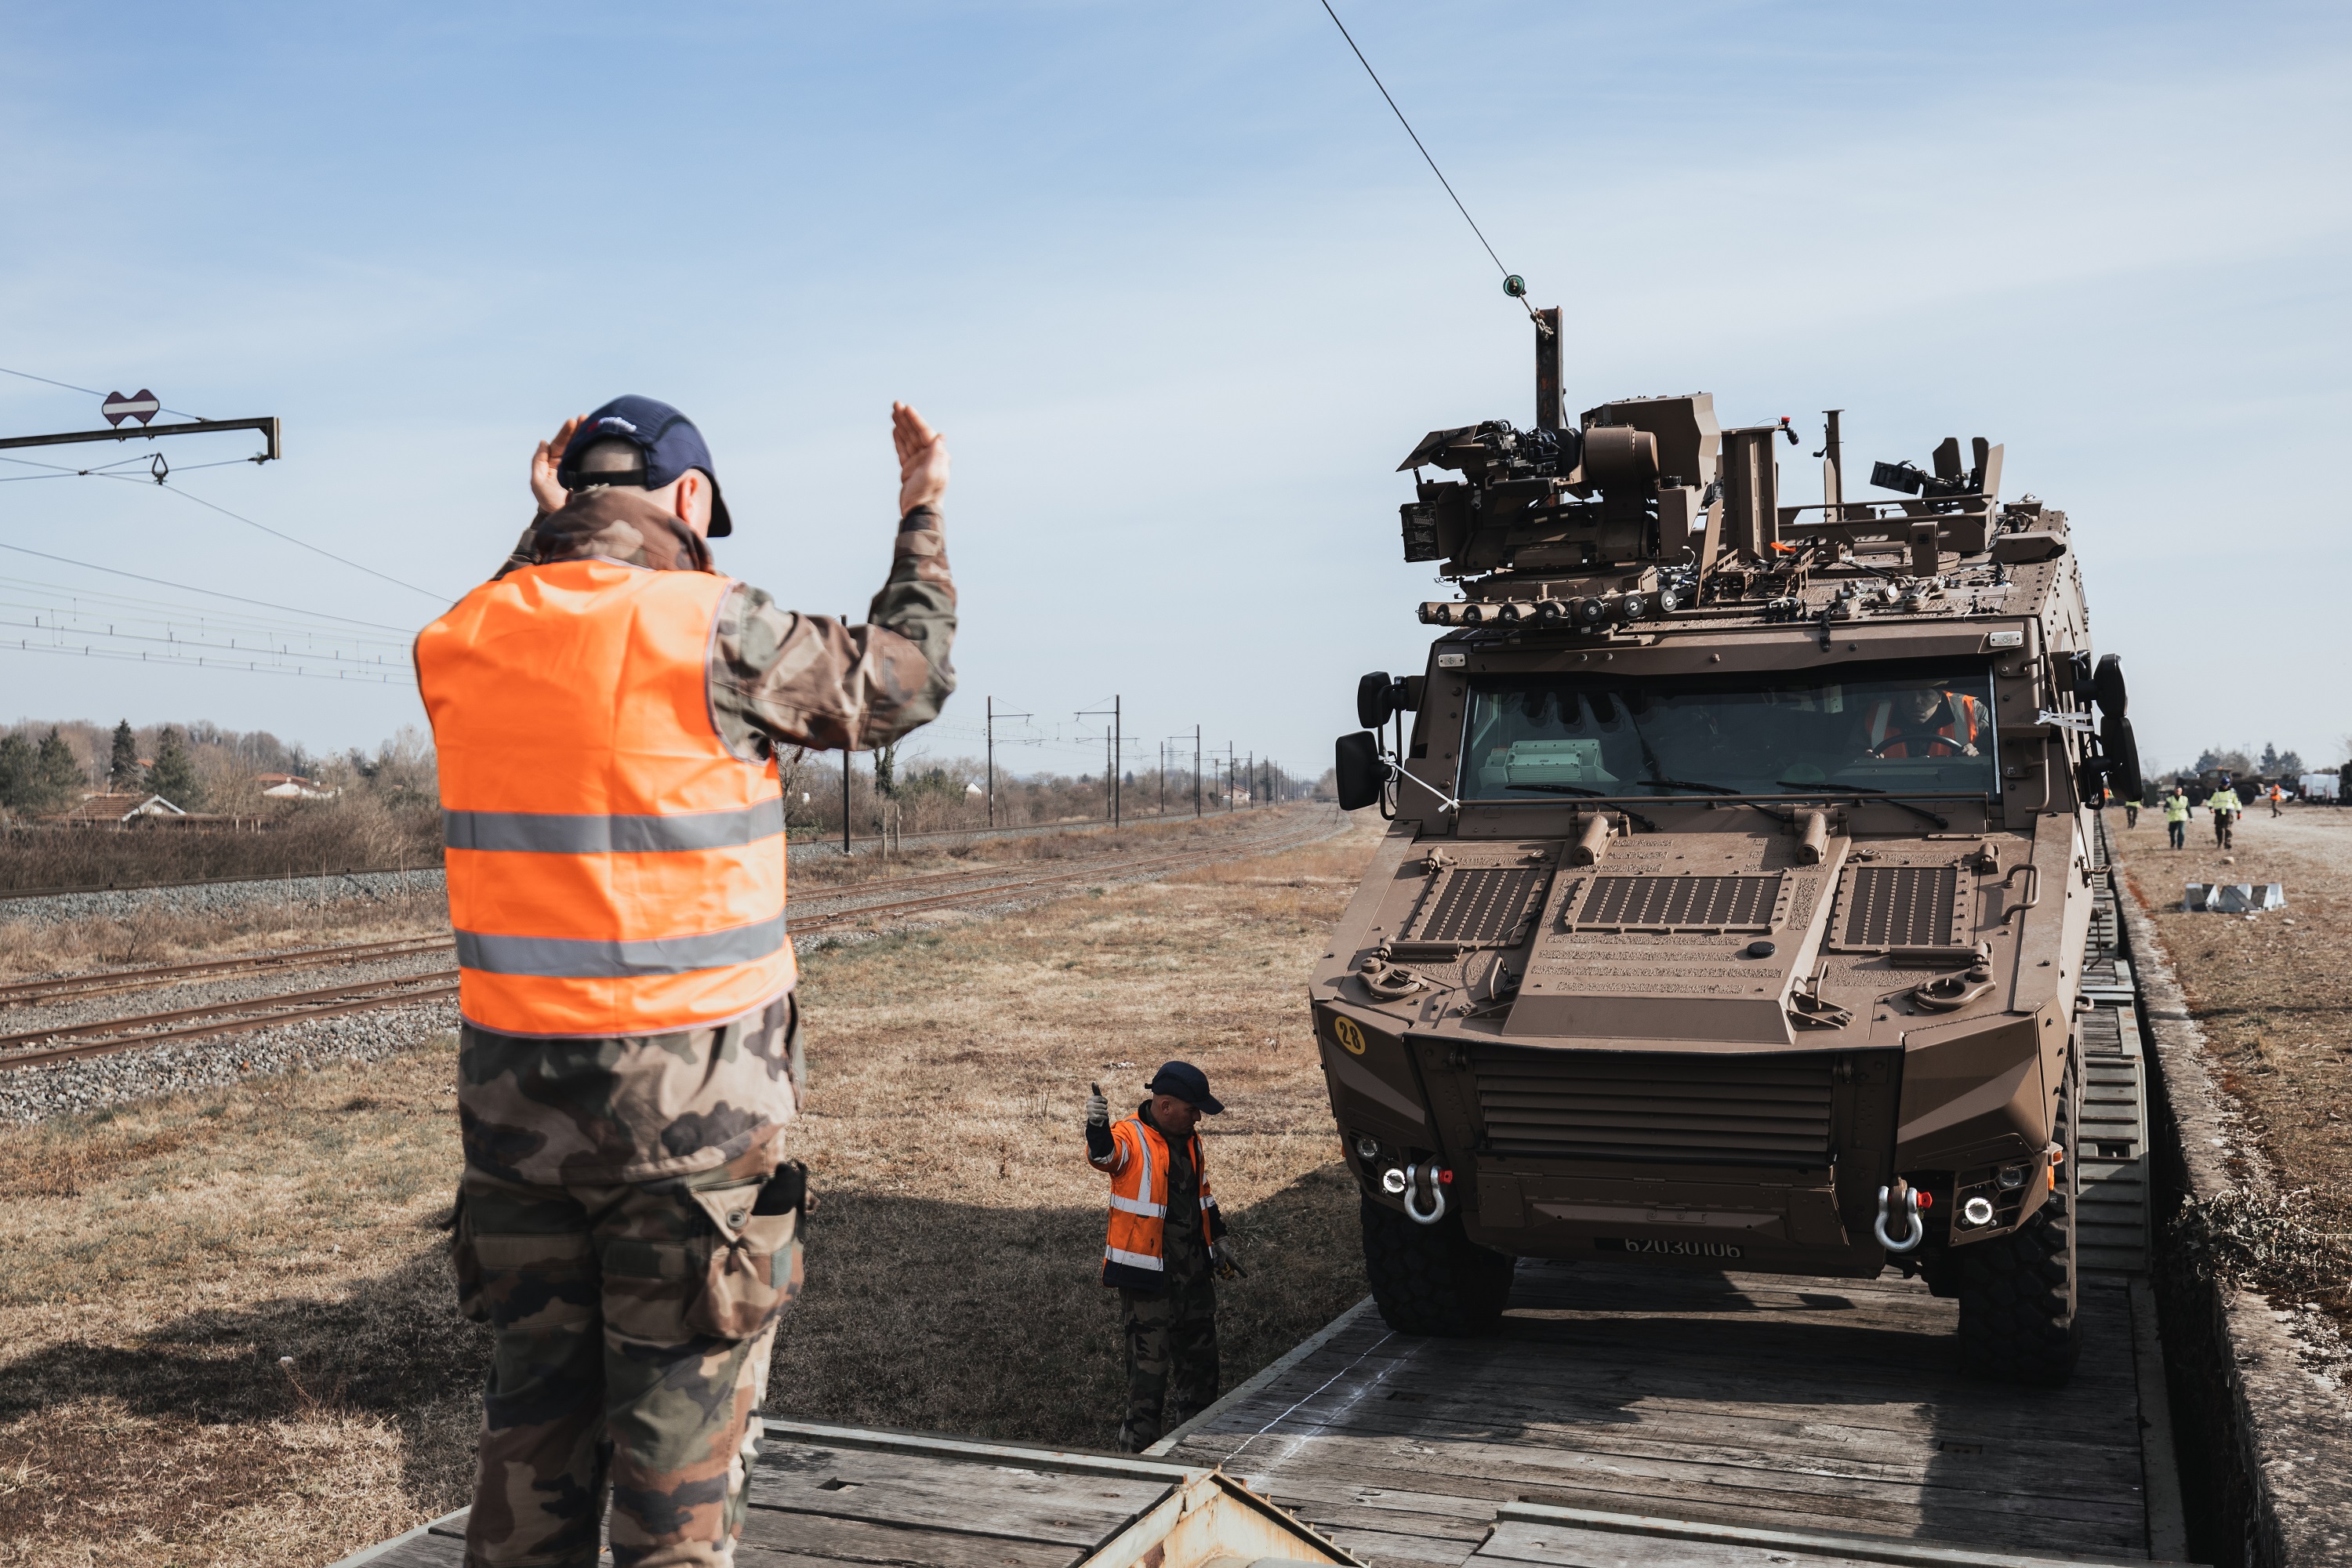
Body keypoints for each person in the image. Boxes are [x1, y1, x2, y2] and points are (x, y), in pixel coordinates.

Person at [416, 394, 956, 1568]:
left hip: (514, 1142)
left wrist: (546, 530)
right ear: (693, 501)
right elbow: (908, 678)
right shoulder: (711, 625)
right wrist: (922, 510)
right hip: (689, 1141)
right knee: (674, 1498)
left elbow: (528, 604)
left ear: (566, 494)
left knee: (529, 1464)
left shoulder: (461, 637)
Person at [1086, 1062, 1232, 1453]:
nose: (1198, 1116)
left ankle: (1197, 1449)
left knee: (1202, 1371)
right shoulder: (1129, 1137)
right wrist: (1096, 1129)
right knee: (1148, 1382)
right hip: (1149, 1282)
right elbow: (1105, 1157)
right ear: (1165, 1106)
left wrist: (1218, 1238)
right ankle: (1136, 1460)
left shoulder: (1190, 1139)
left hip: (1194, 1276)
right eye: (1193, 1109)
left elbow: (1202, 1193)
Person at [1860, 685, 1983, 759]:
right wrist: (1864, 760)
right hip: (1887, 794)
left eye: (1925, 693)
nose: (1916, 701)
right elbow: (1848, 762)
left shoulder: (1974, 711)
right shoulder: (1874, 714)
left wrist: (1977, 757)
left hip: (1960, 793)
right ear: (1899, 696)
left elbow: (1996, 762)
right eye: (1908, 693)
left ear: (1939, 696)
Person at [2208, 775, 2241, 850]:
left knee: (2228, 828)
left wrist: (2239, 812)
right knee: (2218, 829)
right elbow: (2210, 801)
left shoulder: (2233, 792)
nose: (2225, 786)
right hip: (2218, 813)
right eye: (2224, 785)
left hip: (2229, 812)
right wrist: (2210, 808)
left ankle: (2227, 843)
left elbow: (2237, 802)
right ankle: (2220, 841)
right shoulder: (2216, 792)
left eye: (2227, 785)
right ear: (2221, 784)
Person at [2163, 784, 2192, 850]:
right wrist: (2166, 809)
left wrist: (2191, 817)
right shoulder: (2170, 799)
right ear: (2174, 791)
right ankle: (2173, 842)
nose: (2178, 792)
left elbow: (2188, 808)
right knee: (2172, 832)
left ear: (2181, 791)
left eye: (2179, 791)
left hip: (2181, 818)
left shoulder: (2185, 799)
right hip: (2172, 818)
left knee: (2181, 832)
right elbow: (2165, 807)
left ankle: (2180, 845)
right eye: (2176, 791)